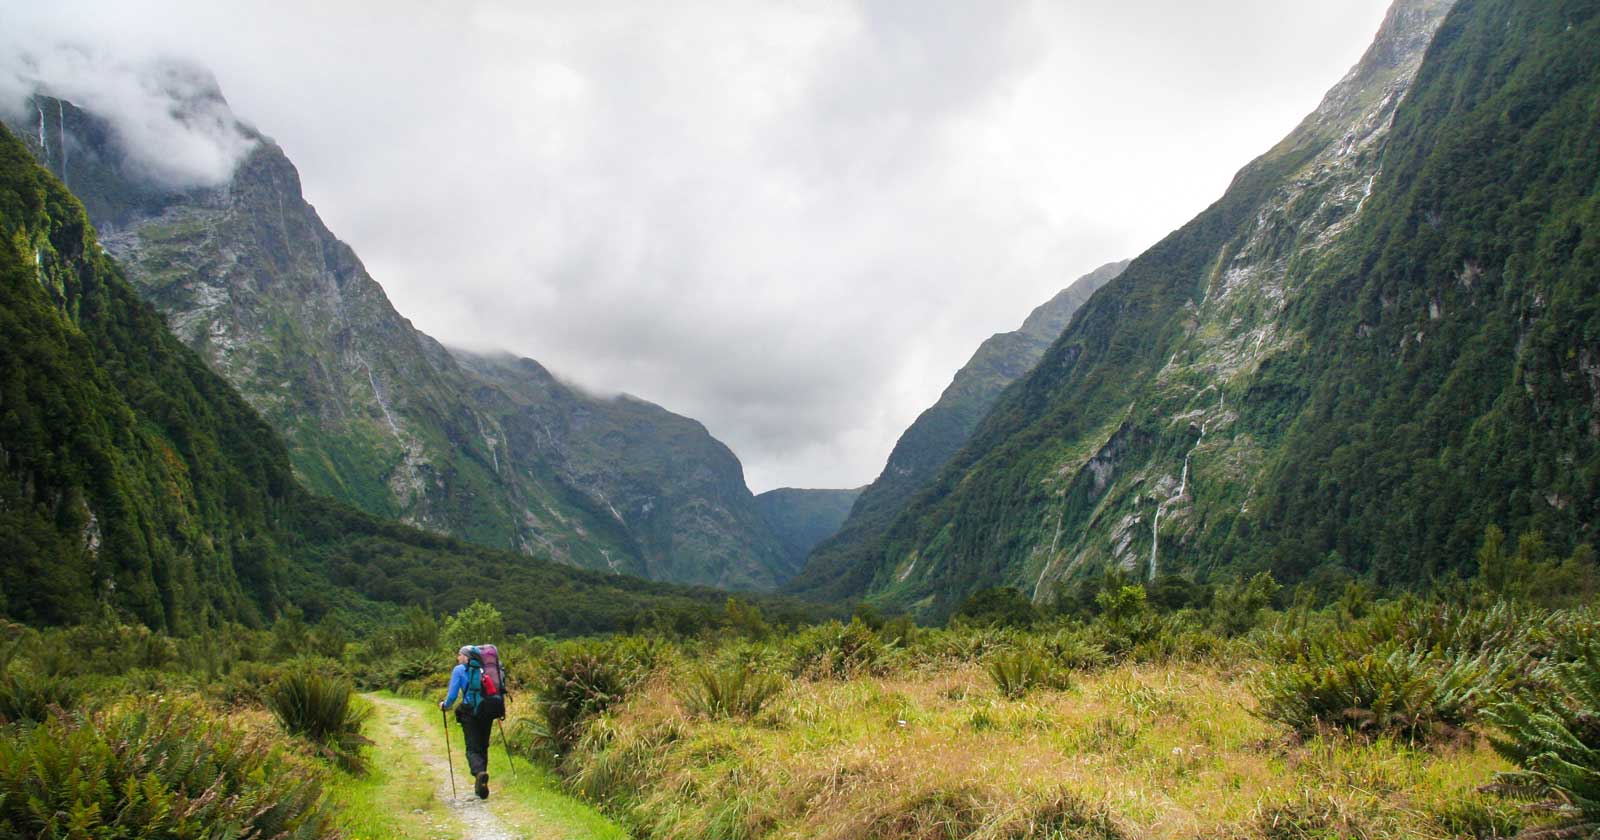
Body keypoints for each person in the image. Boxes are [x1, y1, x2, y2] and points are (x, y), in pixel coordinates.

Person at [440, 646, 493, 799]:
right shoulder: (487, 668)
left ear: (466, 657)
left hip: (470, 712)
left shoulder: (459, 670)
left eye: (460, 655)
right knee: (483, 745)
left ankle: (479, 773)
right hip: (487, 711)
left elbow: (452, 695)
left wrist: (445, 705)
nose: (458, 658)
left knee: (472, 747)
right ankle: (482, 782)